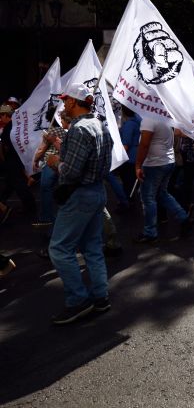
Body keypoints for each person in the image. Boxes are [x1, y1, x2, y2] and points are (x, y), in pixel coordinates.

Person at [45, 83, 113, 324]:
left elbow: (71, 172)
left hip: (80, 195)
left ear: (74, 102)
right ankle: (100, 297)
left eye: (65, 100)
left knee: (59, 249)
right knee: (92, 247)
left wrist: (55, 162)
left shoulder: (79, 129)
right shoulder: (100, 125)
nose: (63, 104)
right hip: (96, 192)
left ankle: (78, 300)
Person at [135, 116, 194, 242]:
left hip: (154, 164)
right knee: (162, 194)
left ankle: (150, 233)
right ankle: (184, 219)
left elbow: (144, 144)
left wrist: (138, 165)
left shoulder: (149, 119)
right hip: (167, 161)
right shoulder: (164, 116)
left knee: (148, 198)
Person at [0, 104, 37, 215]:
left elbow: (6, 147)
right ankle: (2, 201)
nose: (0, 118)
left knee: (19, 184)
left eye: (1, 116)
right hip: (18, 158)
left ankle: (31, 208)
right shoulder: (17, 126)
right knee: (10, 184)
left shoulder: (8, 128)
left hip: (13, 160)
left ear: (6, 115)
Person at [118, 107, 141, 199]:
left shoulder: (129, 124)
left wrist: (118, 159)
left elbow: (126, 144)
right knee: (131, 184)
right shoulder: (138, 121)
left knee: (127, 183)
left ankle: (126, 203)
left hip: (129, 158)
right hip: (135, 156)